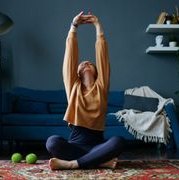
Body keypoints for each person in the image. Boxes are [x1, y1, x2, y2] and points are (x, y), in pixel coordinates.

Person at [46, 12, 126, 170]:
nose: (86, 62)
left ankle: (72, 164)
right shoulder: (73, 87)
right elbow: (70, 57)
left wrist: (98, 26)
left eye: (90, 63)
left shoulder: (101, 87)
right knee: (52, 142)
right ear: (76, 72)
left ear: (97, 72)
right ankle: (100, 162)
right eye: (82, 63)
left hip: (98, 146)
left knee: (119, 141)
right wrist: (73, 26)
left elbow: (102, 56)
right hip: (74, 146)